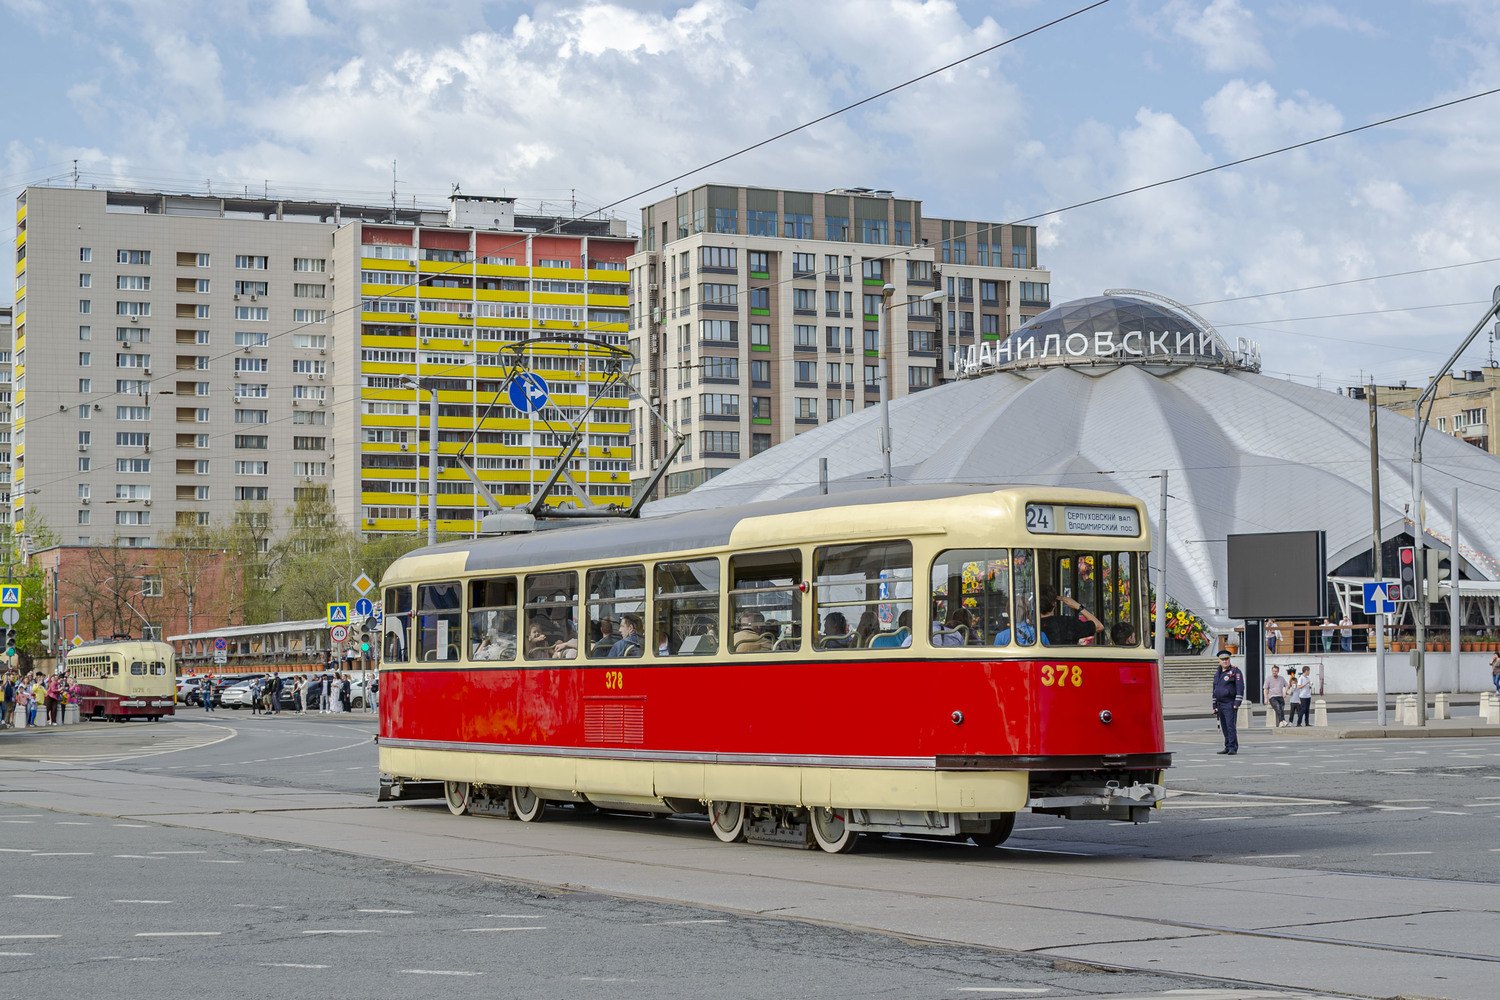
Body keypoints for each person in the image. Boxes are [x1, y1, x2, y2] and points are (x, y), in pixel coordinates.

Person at [1039, 585, 1103, 645]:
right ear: (1055, 604)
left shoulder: (1033, 627)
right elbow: (1099, 626)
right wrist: (1077, 606)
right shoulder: (1067, 623)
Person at [1211, 650, 1244, 754]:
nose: (1225, 661)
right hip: (1220, 703)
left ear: (1229, 659)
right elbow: (1215, 690)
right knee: (1224, 726)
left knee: (1230, 726)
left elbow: (1240, 688)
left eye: (1226, 659)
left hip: (1230, 703)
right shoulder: (1218, 673)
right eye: (1223, 660)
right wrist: (1214, 705)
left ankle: (1233, 747)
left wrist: (1237, 703)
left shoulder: (1235, 672)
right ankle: (1227, 745)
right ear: (1219, 661)